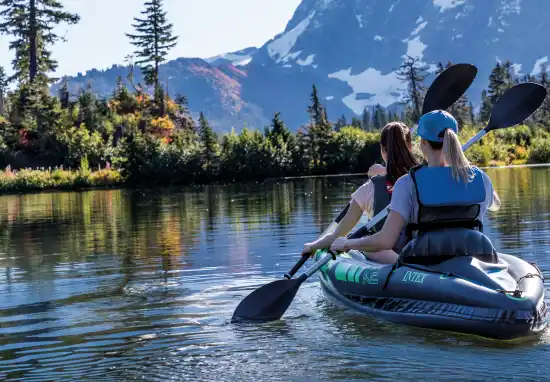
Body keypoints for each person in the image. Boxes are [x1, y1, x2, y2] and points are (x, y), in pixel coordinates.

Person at [330, 110, 501, 262]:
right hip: (472, 254)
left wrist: (347, 243)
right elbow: (495, 206)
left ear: (423, 143)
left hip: (424, 260)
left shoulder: (408, 183)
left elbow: (386, 240)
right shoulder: (480, 178)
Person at [302, 121, 419, 263]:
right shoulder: (423, 179)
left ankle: (405, 266)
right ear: (411, 147)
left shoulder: (368, 189)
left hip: (386, 256)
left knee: (368, 248)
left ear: (382, 150)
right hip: (420, 251)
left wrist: (312, 246)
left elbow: (337, 235)